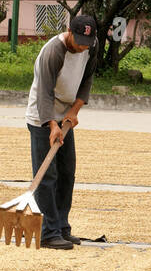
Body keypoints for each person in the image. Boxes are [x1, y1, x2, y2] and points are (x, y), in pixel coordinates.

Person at [24, 14, 97, 249]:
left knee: (67, 173)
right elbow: (43, 92)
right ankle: (48, 232)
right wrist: (51, 124)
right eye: (79, 40)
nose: (83, 45)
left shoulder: (90, 48)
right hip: (41, 117)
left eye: (87, 41)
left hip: (65, 117)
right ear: (68, 32)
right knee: (47, 177)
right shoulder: (53, 51)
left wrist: (74, 112)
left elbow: (86, 81)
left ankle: (62, 227)